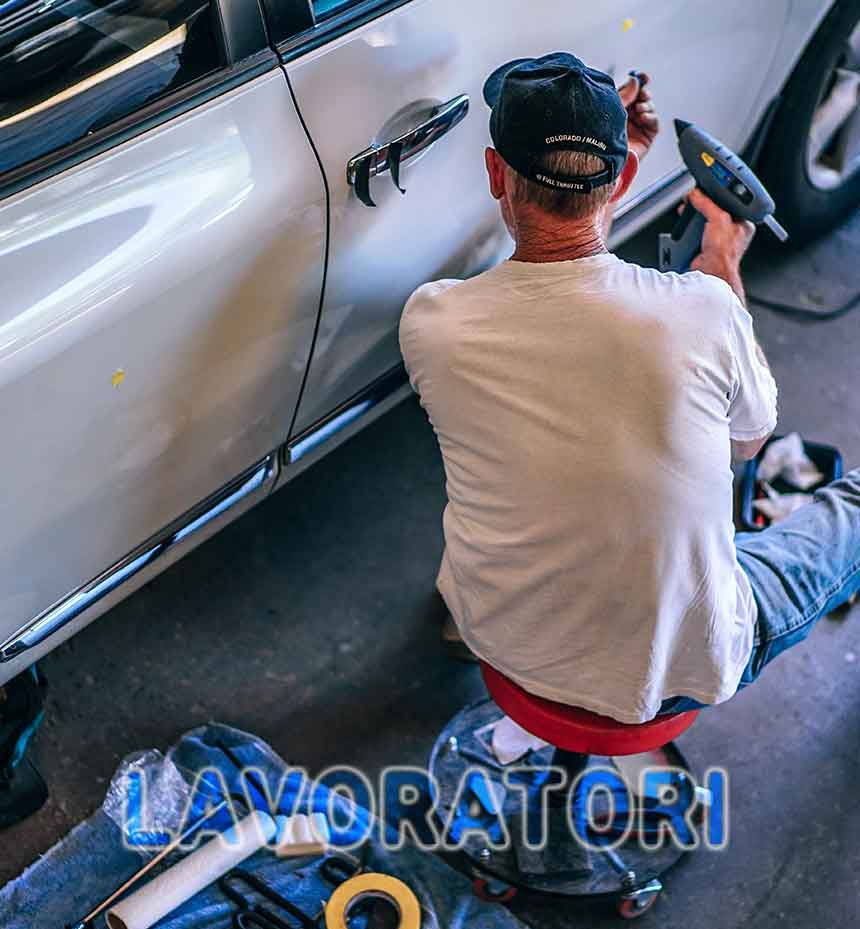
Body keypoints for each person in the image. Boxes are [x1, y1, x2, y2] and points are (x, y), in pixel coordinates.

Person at [399, 52, 859, 724]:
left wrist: (601, 181)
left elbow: (556, 283)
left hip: (498, 634)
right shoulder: (703, 310)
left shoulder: (433, 322)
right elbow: (747, 441)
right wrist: (722, 262)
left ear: (496, 173)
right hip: (675, 672)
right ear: (620, 184)